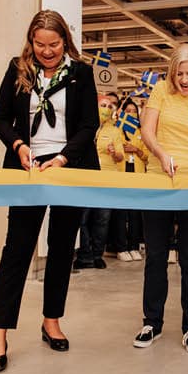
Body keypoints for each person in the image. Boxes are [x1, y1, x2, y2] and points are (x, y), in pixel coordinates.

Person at [0, 10, 100, 372]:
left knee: (63, 247)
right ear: (30, 42)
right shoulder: (18, 69)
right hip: (28, 167)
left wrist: (64, 159)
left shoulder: (81, 73)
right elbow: (0, 118)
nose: (47, 52)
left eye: (54, 45)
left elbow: (88, 123)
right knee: (17, 249)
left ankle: (51, 320)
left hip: (69, 166)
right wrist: (19, 145)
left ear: (65, 41)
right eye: (40, 45)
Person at [133, 43, 188, 354]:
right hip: (158, 184)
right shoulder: (160, 92)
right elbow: (148, 131)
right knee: (156, 255)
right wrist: (161, 154)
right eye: (180, 74)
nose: (185, 80)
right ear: (172, 73)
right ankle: (151, 322)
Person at [76, 94, 121, 269]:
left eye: (110, 107)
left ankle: (97, 255)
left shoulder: (114, 131)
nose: (107, 109)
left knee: (102, 220)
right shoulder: (86, 126)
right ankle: (85, 254)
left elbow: (120, 157)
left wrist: (113, 152)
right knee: (82, 218)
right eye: (103, 105)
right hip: (86, 178)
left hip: (107, 180)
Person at [112, 98, 147, 261]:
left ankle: (134, 246)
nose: (131, 114)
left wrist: (136, 150)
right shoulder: (115, 130)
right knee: (120, 212)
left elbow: (147, 155)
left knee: (135, 213)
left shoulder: (141, 132)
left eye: (134, 111)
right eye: (128, 111)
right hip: (120, 173)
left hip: (138, 175)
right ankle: (121, 247)